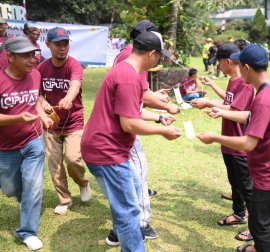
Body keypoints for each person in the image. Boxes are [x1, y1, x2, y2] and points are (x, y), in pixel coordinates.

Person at [81, 30, 181, 252]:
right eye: (159, 56)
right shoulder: (128, 77)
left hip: (104, 149)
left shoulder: (127, 71)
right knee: (128, 212)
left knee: (135, 187)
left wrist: (160, 116)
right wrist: (162, 132)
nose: (159, 61)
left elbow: (132, 111)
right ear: (152, 54)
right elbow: (129, 123)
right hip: (108, 153)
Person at [197, 43, 270, 252]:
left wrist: (215, 137)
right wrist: (220, 110)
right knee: (263, 218)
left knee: (260, 227)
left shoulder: (264, 98)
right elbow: (249, 116)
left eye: (240, 65)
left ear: (247, 68)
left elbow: (248, 142)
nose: (238, 70)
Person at [107, 19, 180, 243]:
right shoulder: (130, 61)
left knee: (133, 177)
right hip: (116, 136)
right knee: (138, 173)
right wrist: (164, 111)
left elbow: (140, 97)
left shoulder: (130, 58)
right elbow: (131, 118)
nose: (158, 56)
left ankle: (125, 227)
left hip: (114, 133)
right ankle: (139, 224)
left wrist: (159, 109)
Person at [191, 43, 254, 242]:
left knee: (246, 186)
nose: (218, 66)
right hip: (228, 143)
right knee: (235, 182)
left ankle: (256, 226)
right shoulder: (232, 81)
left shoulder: (245, 83)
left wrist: (211, 103)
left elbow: (236, 112)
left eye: (218, 62)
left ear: (227, 62)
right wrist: (214, 103)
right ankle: (238, 213)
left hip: (239, 144)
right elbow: (229, 104)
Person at [0, 37, 54, 251]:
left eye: (33, 54)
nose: (32, 59)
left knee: (33, 186)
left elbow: (36, 100)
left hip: (33, 140)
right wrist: (17, 118)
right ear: (10, 57)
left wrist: (44, 116)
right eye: (25, 55)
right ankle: (26, 201)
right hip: (4, 148)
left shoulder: (36, 75)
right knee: (11, 188)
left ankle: (27, 231)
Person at [37, 27, 91, 215]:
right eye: (57, 44)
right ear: (48, 45)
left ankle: (83, 183)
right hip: (51, 124)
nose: (62, 48)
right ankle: (65, 199)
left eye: (65, 44)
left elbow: (75, 85)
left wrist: (69, 97)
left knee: (73, 158)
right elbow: (37, 94)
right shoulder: (41, 68)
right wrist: (43, 104)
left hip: (73, 121)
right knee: (54, 163)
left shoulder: (74, 65)